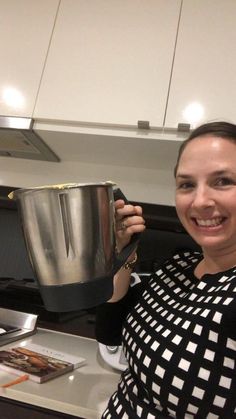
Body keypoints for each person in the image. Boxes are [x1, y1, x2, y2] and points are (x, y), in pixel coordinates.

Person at [96, 121, 236, 418]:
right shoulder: (179, 265)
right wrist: (124, 254)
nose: (200, 201)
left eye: (223, 181)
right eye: (186, 184)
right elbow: (110, 332)